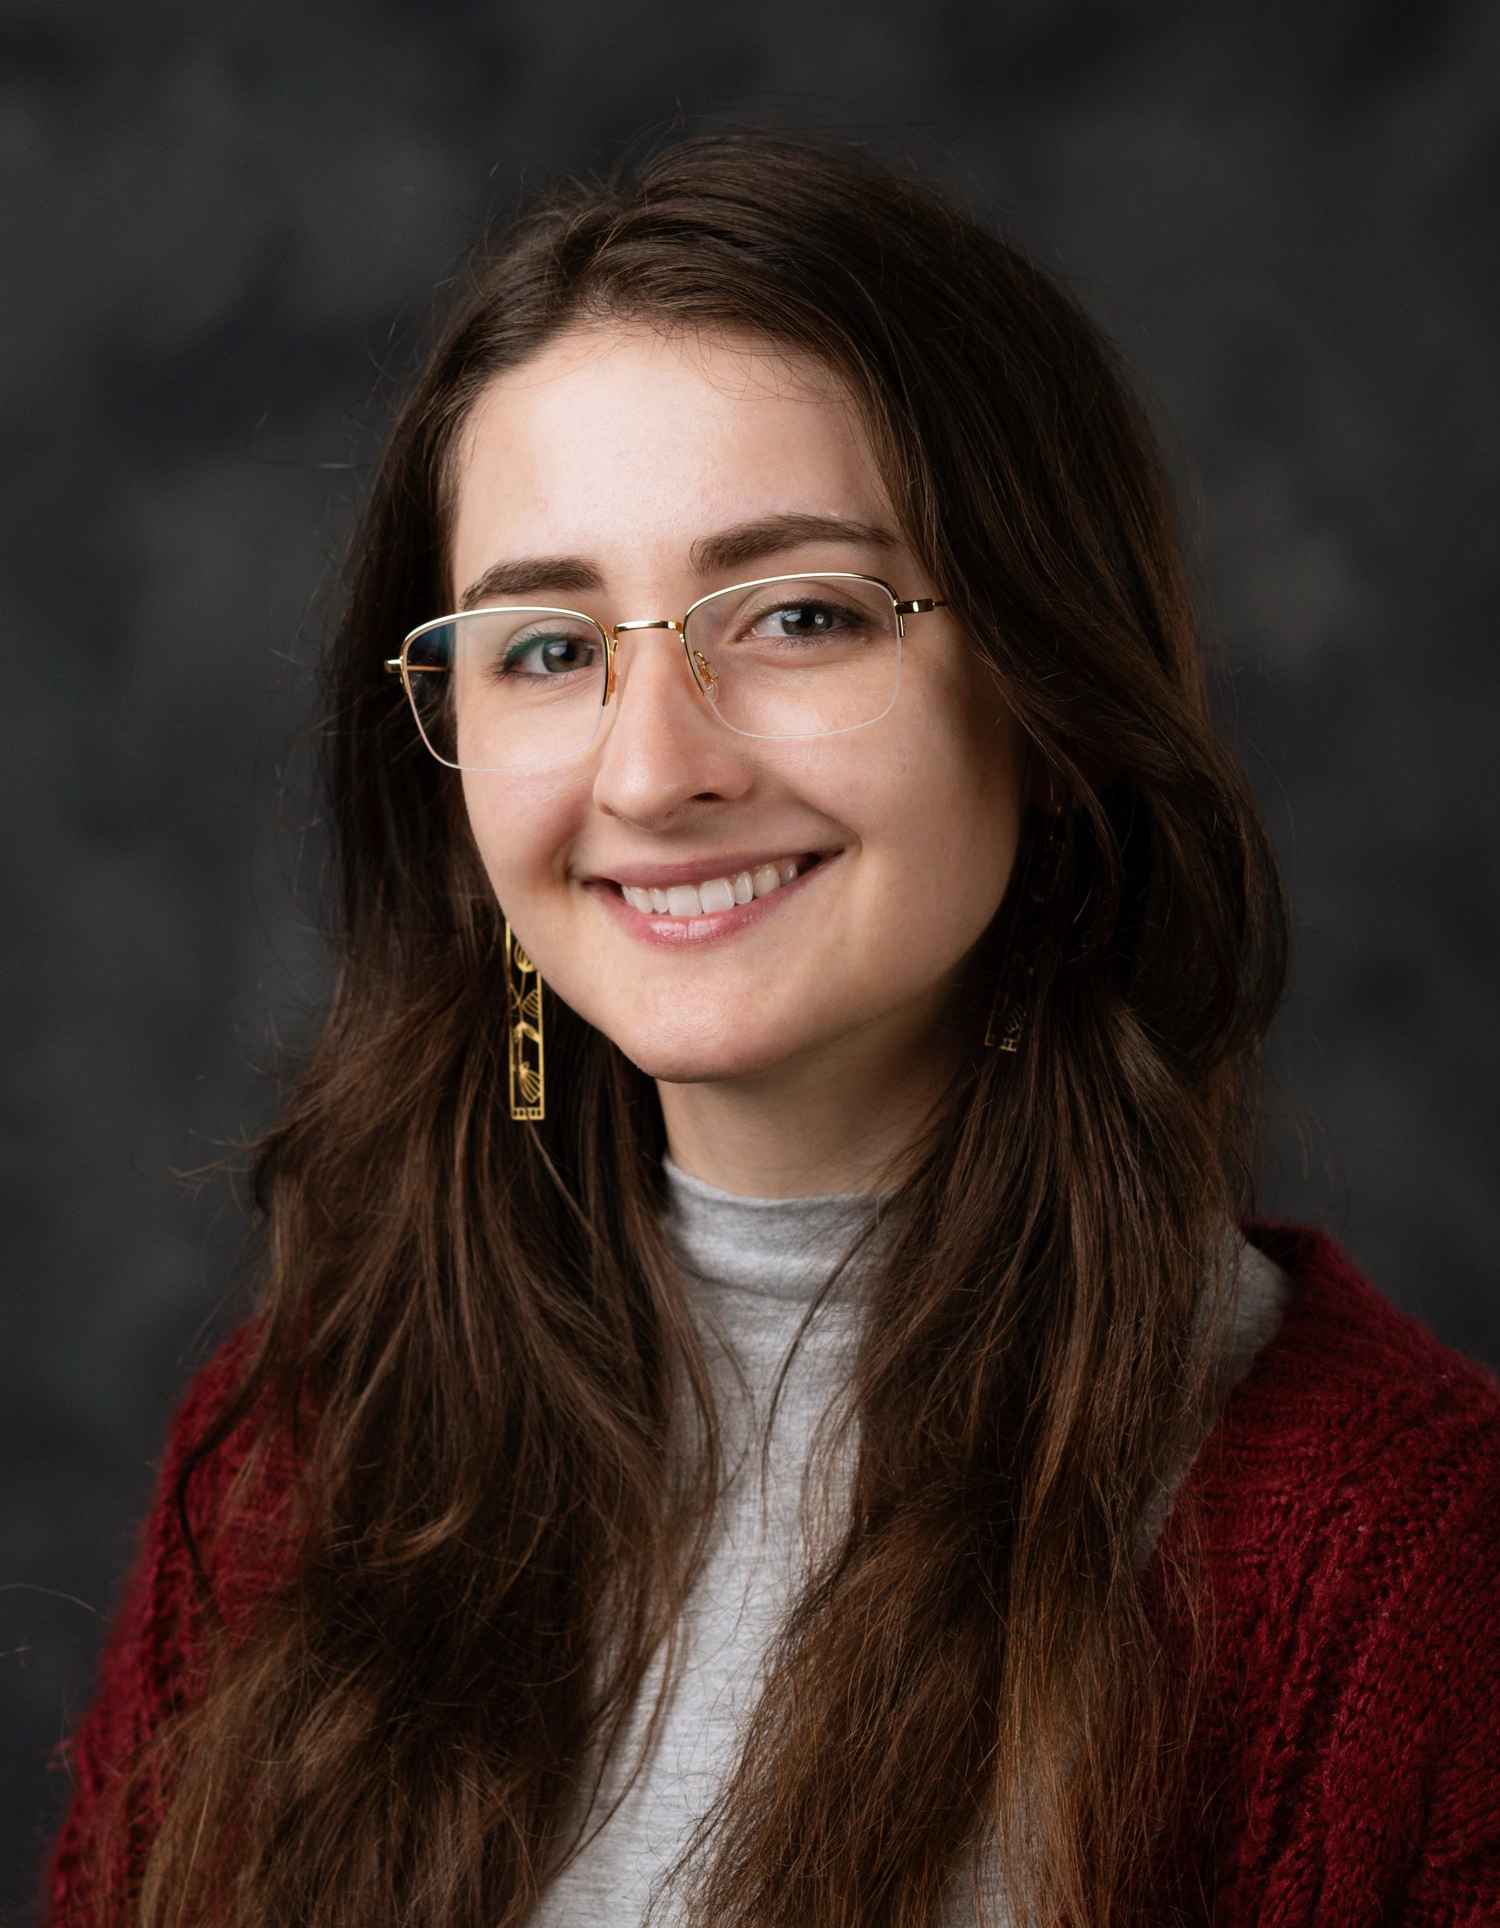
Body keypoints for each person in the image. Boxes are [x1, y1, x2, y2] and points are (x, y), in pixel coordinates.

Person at [45, 133, 1500, 1928]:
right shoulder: (291, 1459)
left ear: (1049, 695)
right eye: (548, 647)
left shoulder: (1410, 1574)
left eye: (800, 614)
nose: (655, 770)